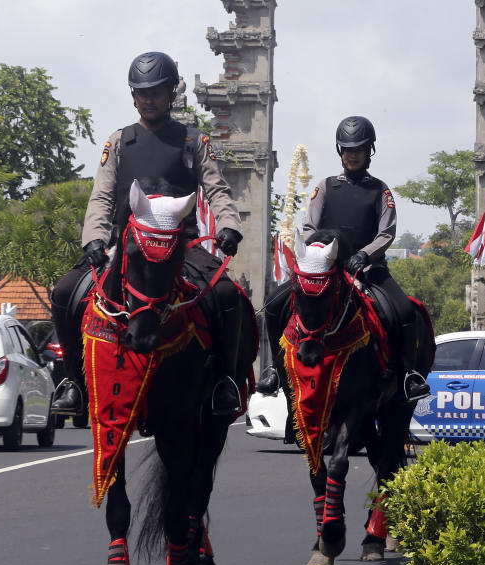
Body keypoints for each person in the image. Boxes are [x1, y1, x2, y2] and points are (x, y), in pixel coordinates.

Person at [50, 51, 244, 416]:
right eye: (140, 92)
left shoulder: (193, 141)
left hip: (181, 245)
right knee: (63, 292)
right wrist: (94, 237)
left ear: (171, 93)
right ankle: (74, 381)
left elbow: (217, 191)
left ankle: (224, 381)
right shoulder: (120, 141)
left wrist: (229, 226)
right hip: (126, 246)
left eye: (156, 91)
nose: (148, 99)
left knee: (226, 293)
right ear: (133, 95)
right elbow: (102, 195)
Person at [256, 116, 428, 401]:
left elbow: (386, 233)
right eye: (347, 149)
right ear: (340, 151)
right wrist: (325, 254)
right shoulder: (324, 187)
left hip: (368, 268)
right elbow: (310, 227)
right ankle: (274, 369)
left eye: (358, 149)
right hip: (326, 268)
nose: (352, 154)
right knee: (274, 304)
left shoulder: (380, 190)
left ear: (369, 150)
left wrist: (363, 254)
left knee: (404, 311)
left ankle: (409, 374)